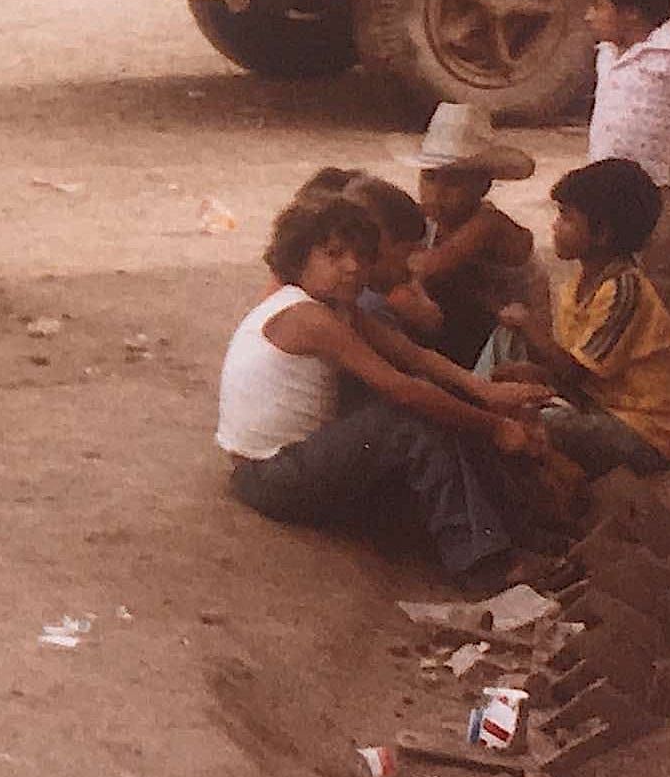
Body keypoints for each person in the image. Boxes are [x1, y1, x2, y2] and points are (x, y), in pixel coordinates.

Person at [219, 191, 544, 589]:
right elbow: (402, 389)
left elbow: (414, 356)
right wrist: (494, 426)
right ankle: (485, 567)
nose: (352, 267)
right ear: (300, 257)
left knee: (441, 408)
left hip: (299, 461)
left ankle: (516, 533)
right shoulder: (307, 317)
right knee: (408, 417)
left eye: (360, 255)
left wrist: (482, 391)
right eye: (334, 255)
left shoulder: (338, 309)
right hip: (268, 475)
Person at [493, 159, 670, 479]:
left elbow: (575, 372)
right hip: (600, 407)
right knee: (512, 398)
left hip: (644, 430)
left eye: (567, 217)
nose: (556, 226)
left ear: (602, 233)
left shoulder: (624, 291)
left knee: (530, 425)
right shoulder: (577, 288)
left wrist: (529, 325)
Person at [579, 0, 670, 322]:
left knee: (659, 277)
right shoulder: (605, 53)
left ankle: (663, 353)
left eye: (597, 6)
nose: (589, 16)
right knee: (601, 270)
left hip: (654, 188)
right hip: (603, 186)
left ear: (631, 11)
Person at [389, 105, 541, 369]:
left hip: (512, 346)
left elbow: (429, 267)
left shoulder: (489, 224)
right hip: (468, 335)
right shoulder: (427, 220)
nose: (437, 192)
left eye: (453, 182)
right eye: (430, 178)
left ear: (483, 185)